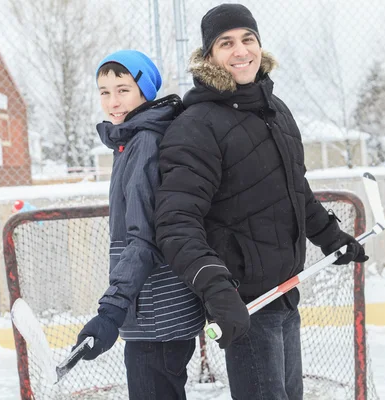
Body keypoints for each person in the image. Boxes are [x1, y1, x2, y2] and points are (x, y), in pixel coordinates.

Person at [154, 4, 369, 400]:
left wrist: (330, 236)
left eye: (248, 39)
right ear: (208, 56)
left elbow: (293, 188)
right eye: (226, 43)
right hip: (245, 303)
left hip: (285, 292)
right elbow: (176, 221)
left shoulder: (275, 110)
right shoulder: (197, 124)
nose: (241, 51)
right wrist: (215, 287)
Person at [73, 50, 205, 400]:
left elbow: (142, 239)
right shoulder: (132, 139)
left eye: (123, 89)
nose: (113, 101)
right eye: (104, 92)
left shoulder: (145, 141)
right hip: (153, 311)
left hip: (156, 314)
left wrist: (111, 311)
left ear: (144, 91)